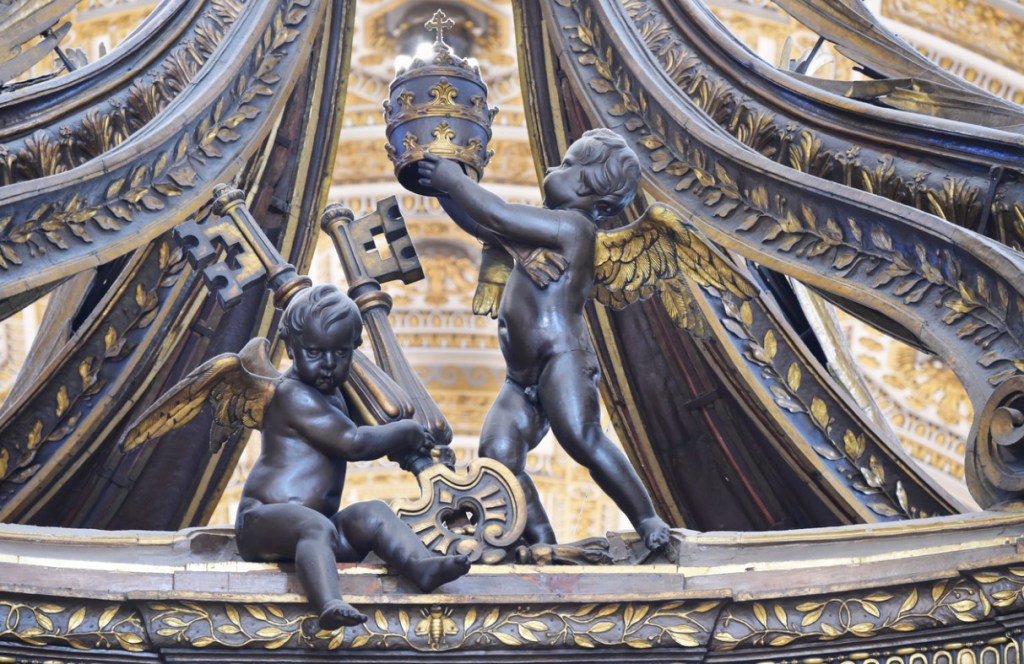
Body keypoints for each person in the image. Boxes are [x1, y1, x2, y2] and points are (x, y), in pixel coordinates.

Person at [417, 128, 671, 552]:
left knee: (580, 436)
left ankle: (646, 518)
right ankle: (540, 542)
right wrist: (441, 187)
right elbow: (484, 225)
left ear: (588, 186)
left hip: (562, 358)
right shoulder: (543, 230)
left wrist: (454, 181)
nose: (553, 168)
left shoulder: (573, 228)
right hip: (520, 377)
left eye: (567, 165)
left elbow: (498, 215)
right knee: (497, 456)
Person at [234, 285, 470, 630]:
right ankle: (328, 602)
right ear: (291, 348)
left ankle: (420, 565)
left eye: (341, 353)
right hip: (262, 522)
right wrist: (406, 431)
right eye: (315, 352)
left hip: (318, 530)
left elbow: (369, 427)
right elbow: (354, 443)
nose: (329, 364)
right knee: (313, 526)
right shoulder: (293, 395)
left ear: (354, 349)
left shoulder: (332, 393)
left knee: (372, 513)